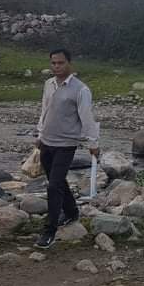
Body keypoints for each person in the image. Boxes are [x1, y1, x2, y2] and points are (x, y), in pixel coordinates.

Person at [34, 48, 101, 249]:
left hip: (66, 144)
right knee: (56, 180)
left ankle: (49, 231)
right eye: (53, 63)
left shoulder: (81, 90)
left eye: (60, 63)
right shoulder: (49, 84)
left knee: (53, 186)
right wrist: (39, 134)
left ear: (69, 64)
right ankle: (71, 212)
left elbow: (87, 118)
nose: (56, 67)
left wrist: (93, 144)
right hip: (47, 142)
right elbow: (45, 110)